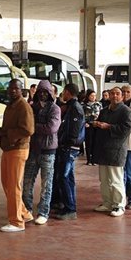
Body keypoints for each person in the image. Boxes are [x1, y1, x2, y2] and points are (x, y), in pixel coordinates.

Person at [0, 79, 35, 233]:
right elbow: (9, 127)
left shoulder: (24, 107)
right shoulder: (11, 105)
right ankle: (24, 213)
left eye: (16, 88)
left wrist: (5, 134)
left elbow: (28, 130)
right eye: (10, 88)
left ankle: (16, 222)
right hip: (8, 148)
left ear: (22, 90)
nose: (12, 91)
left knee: (13, 185)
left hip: (18, 149)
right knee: (6, 182)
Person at [22, 80, 60, 225]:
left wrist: (33, 127)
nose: (43, 95)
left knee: (46, 184)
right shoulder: (32, 107)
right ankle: (27, 210)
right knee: (27, 182)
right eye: (41, 92)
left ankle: (43, 212)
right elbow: (26, 124)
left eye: (46, 92)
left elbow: (51, 128)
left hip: (48, 151)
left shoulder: (55, 109)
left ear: (50, 93)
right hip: (33, 150)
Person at [91, 87, 131, 217]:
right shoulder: (104, 111)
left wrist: (108, 126)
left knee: (116, 179)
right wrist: (96, 124)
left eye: (117, 94)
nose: (115, 96)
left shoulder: (126, 111)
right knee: (104, 179)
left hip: (116, 149)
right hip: (103, 150)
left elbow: (126, 129)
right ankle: (107, 202)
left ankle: (119, 205)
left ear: (121, 96)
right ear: (108, 95)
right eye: (112, 94)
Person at [52, 83, 85, 220]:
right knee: (67, 177)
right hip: (68, 147)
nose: (62, 95)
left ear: (67, 92)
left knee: (64, 177)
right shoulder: (72, 106)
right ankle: (67, 204)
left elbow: (74, 129)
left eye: (64, 92)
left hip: (69, 148)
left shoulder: (75, 108)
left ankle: (70, 208)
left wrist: (67, 142)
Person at [83, 89, 102, 166]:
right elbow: (81, 116)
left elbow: (101, 114)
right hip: (88, 125)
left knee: (96, 142)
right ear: (88, 96)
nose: (93, 97)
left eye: (94, 95)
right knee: (89, 142)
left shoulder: (98, 104)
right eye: (91, 95)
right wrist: (84, 123)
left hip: (97, 125)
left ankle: (94, 159)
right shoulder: (84, 105)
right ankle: (89, 159)